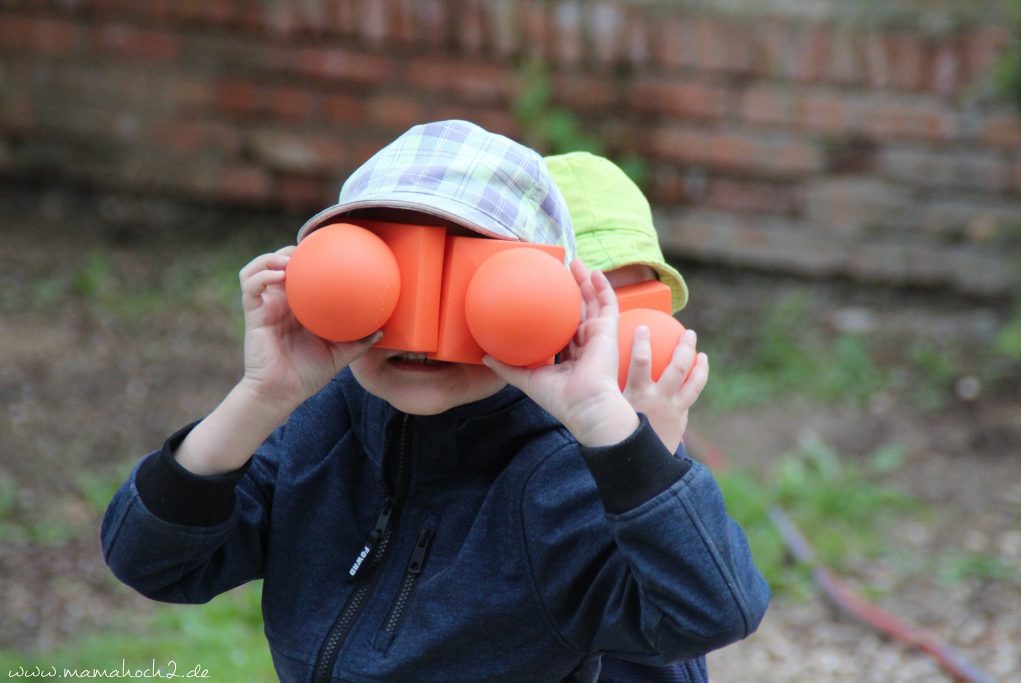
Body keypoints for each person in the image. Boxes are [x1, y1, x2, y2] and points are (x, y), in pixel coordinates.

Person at [102, 120, 769, 682]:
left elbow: (710, 613)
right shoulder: (316, 433)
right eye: (383, 281)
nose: (422, 336)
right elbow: (150, 558)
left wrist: (616, 432)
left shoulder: (553, 483)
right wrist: (259, 397)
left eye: (474, 289)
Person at [546, 151, 721, 682]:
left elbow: (706, 598)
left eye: (638, 304)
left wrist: (653, 456)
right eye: (588, 308)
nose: (616, 336)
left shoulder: (649, 421)